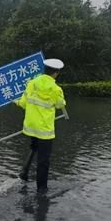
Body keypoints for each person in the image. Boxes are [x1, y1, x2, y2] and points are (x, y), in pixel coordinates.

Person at [15, 58, 66, 193]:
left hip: (31, 127)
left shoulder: (31, 83)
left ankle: (24, 174)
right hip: (45, 131)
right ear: (56, 73)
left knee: (33, 147)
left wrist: (16, 102)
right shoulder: (56, 89)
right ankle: (41, 189)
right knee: (43, 161)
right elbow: (61, 105)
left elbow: (24, 103)